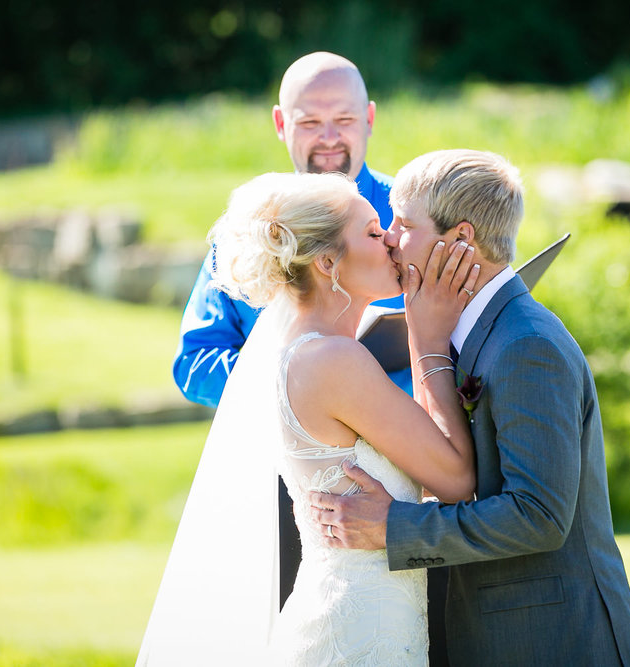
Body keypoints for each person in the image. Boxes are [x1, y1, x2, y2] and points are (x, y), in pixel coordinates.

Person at [310, 150, 630, 666]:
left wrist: (392, 527)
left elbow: (537, 516)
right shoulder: (468, 331)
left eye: (404, 224)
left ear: (462, 239)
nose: (392, 239)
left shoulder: (525, 345)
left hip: (552, 641)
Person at [137, 171, 481, 664]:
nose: (389, 239)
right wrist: (428, 339)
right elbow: (456, 478)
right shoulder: (333, 362)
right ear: (326, 262)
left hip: (355, 612)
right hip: (362, 630)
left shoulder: (308, 350)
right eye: (370, 232)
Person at [173, 51, 403, 409]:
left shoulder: (415, 216)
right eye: (309, 122)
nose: (329, 137)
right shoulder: (249, 228)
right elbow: (195, 363)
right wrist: (297, 382)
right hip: (289, 453)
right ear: (281, 123)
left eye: (344, 118)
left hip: (410, 442)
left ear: (369, 118)